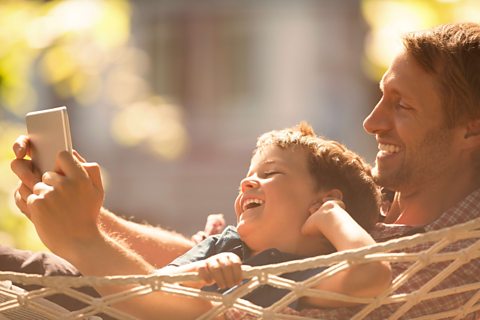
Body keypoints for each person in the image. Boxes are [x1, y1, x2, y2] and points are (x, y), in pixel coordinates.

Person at [5, 21, 480, 319]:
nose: (371, 121)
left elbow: (225, 311)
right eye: (380, 96)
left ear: (470, 129)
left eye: (403, 106)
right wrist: (83, 216)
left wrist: (82, 239)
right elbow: (230, 254)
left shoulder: (454, 263)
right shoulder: (370, 207)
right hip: (112, 293)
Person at [12, 122, 391, 319]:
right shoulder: (227, 245)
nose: (247, 181)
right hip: (89, 302)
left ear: (322, 201)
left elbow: (371, 274)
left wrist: (330, 215)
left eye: (271, 173)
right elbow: (152, 285)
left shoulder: (303, 280)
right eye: (249, 173)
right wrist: (200, 274)